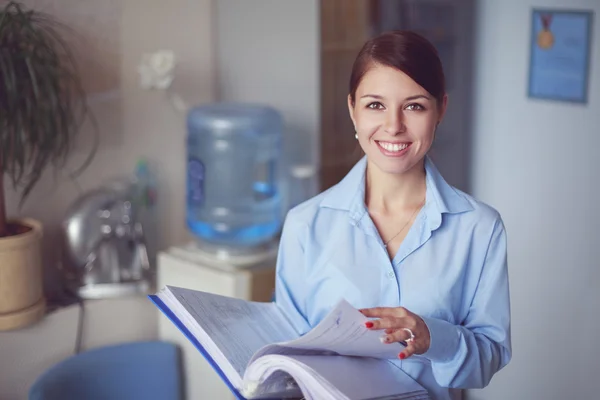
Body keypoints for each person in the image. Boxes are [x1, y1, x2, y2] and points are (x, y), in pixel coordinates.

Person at [274, 30, 511, 400]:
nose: (394, 125)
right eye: (375, 105)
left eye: (414, 106)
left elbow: (488, 358)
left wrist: (434, 337)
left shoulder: (480, 229)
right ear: (352, 108)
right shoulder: (305, 225)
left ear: (441, 110)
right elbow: (286, 357)